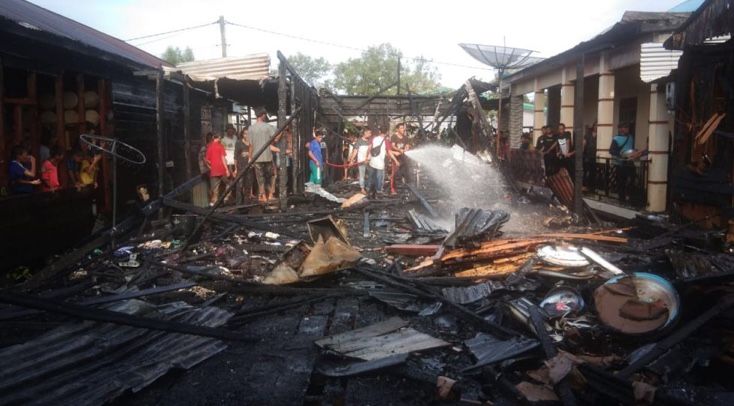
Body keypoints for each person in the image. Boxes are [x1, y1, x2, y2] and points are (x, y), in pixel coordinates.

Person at [248, 108, 279, 202]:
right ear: (262, 115)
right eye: (265, 114)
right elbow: (276, 139)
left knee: (260, 178)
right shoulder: (268, 127)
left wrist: (250, 158)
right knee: (272, 176)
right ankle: (270, 195)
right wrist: (282, 132)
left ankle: (263, 197)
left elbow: (250, 145)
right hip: (267, 157)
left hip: (256, 157)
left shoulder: (251, 128)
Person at [609, 122, 641, 204]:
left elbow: (631, 148)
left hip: (629, 162)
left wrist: (634, 152)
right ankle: (622, 199)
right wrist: (621, 154)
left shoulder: (630, 137)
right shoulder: (616, 139)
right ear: (620, 129)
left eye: (627, 127)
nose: (626, 129)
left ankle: (631, 197)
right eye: (624, 127)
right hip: (620, 163)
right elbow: (611, 151)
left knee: (632, 180)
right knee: (621, 182)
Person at [367, 127, 397, 198]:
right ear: (386, 132)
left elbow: (369, 148)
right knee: (379, 177)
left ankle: (368, 189)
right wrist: (395, 160)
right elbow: (389, 152)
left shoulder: (374, 138)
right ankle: (378, 191)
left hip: (372, 161)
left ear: (379, 131)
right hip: (380, 163)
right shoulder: (386, 141)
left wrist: (367, 157)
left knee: (371, 176)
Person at [205, 133, 230, 205]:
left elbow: (207, 160)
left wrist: (210, 167)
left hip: (214, 171)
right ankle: (226, 198)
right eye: (220, 138)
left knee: (215, 190)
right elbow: (223, 158)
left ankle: (213, 205)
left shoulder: (209, 147)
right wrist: (227, 169)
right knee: (229, 184)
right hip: (221, 169)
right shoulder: (220, 146)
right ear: (219, 138)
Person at [389, 123, 410, 195]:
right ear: (397, 129)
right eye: (401, 128)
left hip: (403, 158)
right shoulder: (394, 136)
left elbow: (407, 145)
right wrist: (399, 150)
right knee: (394, 173)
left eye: (403, 128)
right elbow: (393, 146)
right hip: (396, 158)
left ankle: (404, 188)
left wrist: (406, 149)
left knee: (405, 173)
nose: (403, 129)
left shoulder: (405, 137)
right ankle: (393, 189)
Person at [349, 128, 372, 194]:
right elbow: (355, 151)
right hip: (361, 161)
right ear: (365, 133)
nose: (370, 134)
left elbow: (370, 151)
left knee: (370, 174)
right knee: (362, 175)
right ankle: (362, 188)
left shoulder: (370, 141)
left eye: (370, 133)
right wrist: (351, 160)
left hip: (369, 161)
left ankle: (368, 187)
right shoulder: (359, 141)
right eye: (369, 133)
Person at [234, 127, 254, 203]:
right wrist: (235, 169)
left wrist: (249, 154)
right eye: (245, 133)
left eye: (248, 134)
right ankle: (239, 203)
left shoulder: (252, 143)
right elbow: (235, 156)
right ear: (242, 134)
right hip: (240, 167)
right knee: (239, 186)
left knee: (248, 186)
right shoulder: (238, 143)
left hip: (249, 168)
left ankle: (247, 203)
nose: (247, 135)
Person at [582, 123, 598, 192]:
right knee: (586, 172)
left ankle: (592, 188)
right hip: (588, 156)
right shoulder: (588, 134)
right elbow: (584, 143)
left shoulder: (600, 134)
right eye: (595, 125)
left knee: (593, 173)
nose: (596, 127)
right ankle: (585, 187)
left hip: (596, 157)